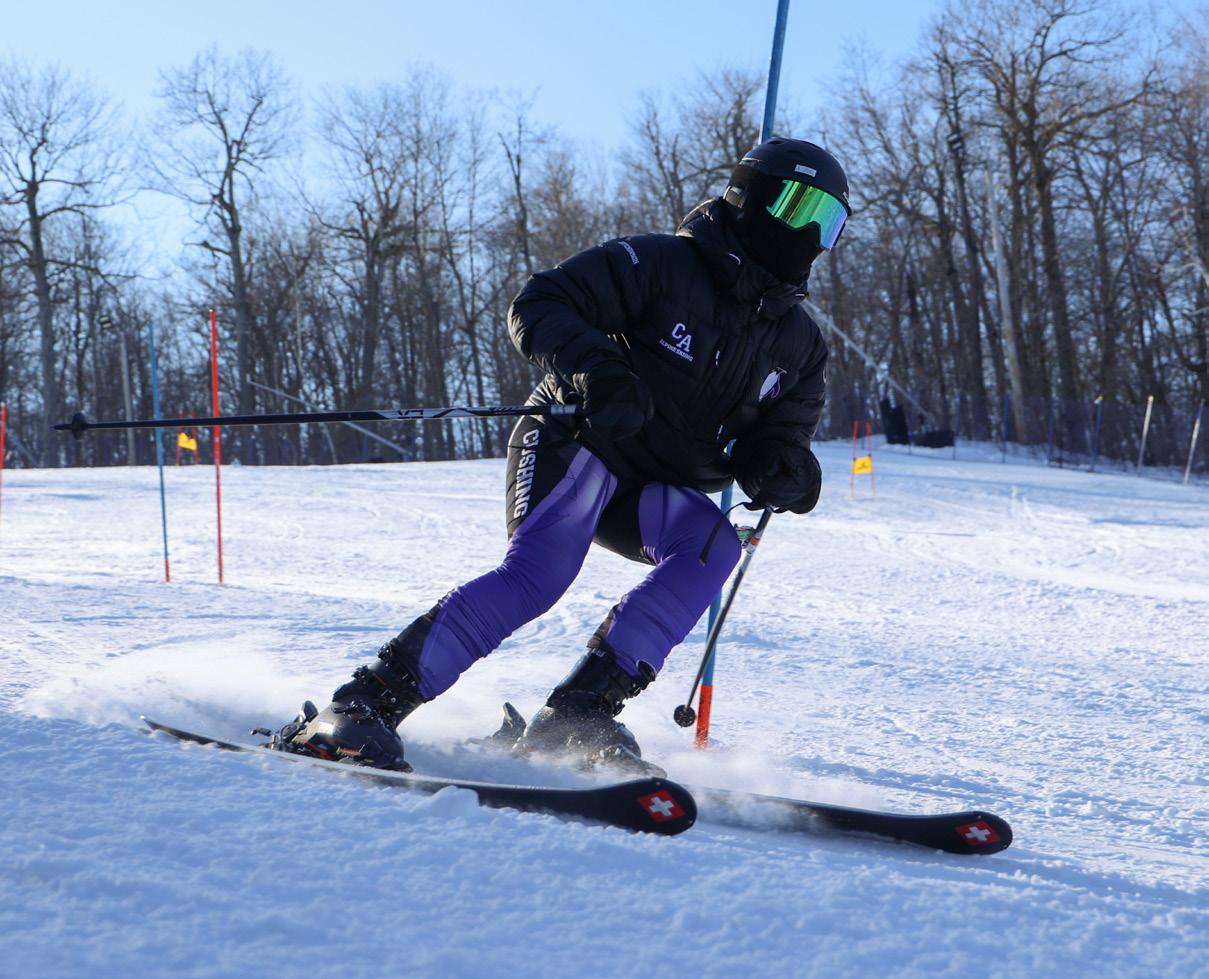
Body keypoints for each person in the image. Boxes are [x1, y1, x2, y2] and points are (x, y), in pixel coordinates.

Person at [272, 136, 850, 772]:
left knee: (714, 546)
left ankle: (577, 717)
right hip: (576, 443)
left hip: (651, 485)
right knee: (539, 574)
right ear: (749, 198)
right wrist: (600, 371)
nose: (810, 234)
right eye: (799, 208)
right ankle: (363, 703)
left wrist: (784, 470)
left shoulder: (799, 345)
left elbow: (782, 436)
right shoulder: (663, 264)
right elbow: (541, 302)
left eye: (829, 222)